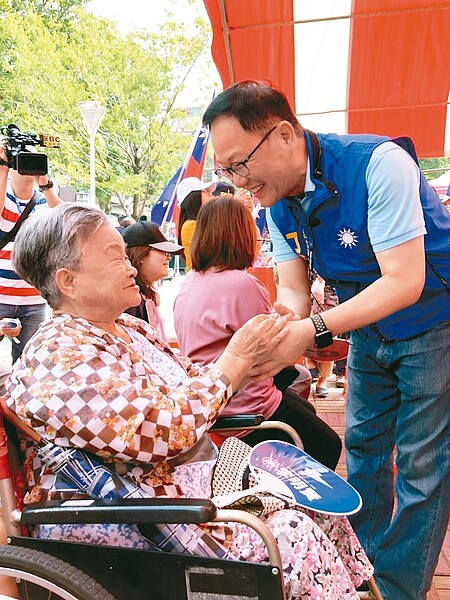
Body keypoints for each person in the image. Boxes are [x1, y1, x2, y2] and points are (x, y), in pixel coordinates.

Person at [5, 203, 374, 599]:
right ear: (69, 281)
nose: (131, 266)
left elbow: (198, 383)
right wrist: (235, 359)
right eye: (115, 255)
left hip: (171, 489)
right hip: (123, 513)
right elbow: (159, 431)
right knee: (290, 534)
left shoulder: (129, 327)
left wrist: (263, 346)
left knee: (310, 500)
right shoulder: (59, 353)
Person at [202, 80, 450, 600]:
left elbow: (404, 281)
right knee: (361, 453)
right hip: (367, 333)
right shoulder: (276, 203)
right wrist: (275, 330)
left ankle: (400, 589)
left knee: (423, 467)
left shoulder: (379, 164)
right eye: (224, 171)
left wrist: (310, 331)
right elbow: (293, 290)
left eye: (238, 164)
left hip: (432, 325)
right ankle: (357, 577)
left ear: (284, 135)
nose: (235, 181)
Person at [174, 196, 342, 469]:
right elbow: (274, 346)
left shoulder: (189, 282)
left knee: (304, 407)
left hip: (208, 402)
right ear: (242, 234)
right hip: (246, 404)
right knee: (327, 444)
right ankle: (292, 506)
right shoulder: (242, 284)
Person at [0, 144, 62, 364]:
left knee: (28, 361)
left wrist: (44, 182)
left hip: (33, 298)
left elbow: (66, 218)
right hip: (1, 295)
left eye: (34, 160)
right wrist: (3, 166)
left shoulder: (46, 200)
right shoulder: (4, 197)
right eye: (22, 160)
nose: (28, 166)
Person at [121, 220, 183, 341]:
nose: (168, 257)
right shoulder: (129, 301)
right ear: (141, 254)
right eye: (163, 251)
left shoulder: (147, 294)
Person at [176, 176, 216, 271]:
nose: (212, 196)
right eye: (205, 191)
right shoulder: (191, 225)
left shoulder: (202, 224)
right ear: (194, 197)